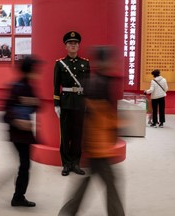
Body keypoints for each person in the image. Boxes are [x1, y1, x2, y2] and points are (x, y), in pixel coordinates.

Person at [58, 46, 125, 216]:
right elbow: (100, 115)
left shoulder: (96, 80)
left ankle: (69, 210)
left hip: (97, 143)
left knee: (91, 179)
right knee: (109, 181)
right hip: (99, 144)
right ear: (104, 61)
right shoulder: (99, 83)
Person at [4, 55, 41, 207]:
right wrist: (18, 121)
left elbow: (37, 106)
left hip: (24, 134)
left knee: (24, 165)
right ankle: (18, 197)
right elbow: (6, 113)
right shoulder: (18, 86)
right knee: (24, 166)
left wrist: (34, 102)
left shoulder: (28, 86)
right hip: (18, 135)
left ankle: (18, 195)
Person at [54, 31, 90, 176]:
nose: (73, 45)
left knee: (77, 134)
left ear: (79, 46)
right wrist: (56, 104)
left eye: (75, 43)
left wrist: (88, 103)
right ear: (66, 46)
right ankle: (66, 164)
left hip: (80, 103)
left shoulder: (85, 63)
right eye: (70, 43)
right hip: (66, 103)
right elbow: (56, 85)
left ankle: (76, 163)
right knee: (65, 134)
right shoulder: (60, 64)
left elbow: (88, 85)